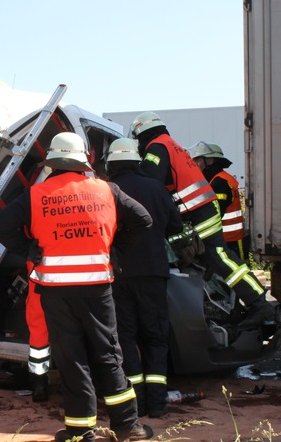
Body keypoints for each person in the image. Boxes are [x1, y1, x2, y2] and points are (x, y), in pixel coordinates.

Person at [0, 132, 153, 442]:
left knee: (72, 359)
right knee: (107, 354)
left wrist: (27, 248)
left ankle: (81, 432)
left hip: (54, 290)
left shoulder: (36, 194)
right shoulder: (107, 190)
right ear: (84, 162)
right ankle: (128, 427)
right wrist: (115, 247)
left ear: (52, 163)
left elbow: (1, 226)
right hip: (97, 288)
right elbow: (143, 220)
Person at [129, 112, 275, 328]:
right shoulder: (170, 144)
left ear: (140, 132)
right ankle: (235, 309)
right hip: (201, 209)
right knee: (209, 262)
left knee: (218, 258)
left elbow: (151, 183)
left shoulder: (156, 148)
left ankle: (260, 305)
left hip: (199, 211)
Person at [103, 138, 182, 419]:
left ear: (110, 163)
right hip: (153, 273)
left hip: (118, 275)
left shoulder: (106, 190)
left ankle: (137, 404)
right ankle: (158, 404)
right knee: (155, 337)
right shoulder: (156, 188)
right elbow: (175, 225)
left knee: (125, 337)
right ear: (137, 161)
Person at [189, 142, 248, 260]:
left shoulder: (220, 182)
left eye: (197, 160)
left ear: (209, 161)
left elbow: (215, 211)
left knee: (234, 275)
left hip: (228, 240)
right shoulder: (216, 180)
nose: (194, 164)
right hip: (225, 239)